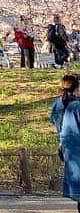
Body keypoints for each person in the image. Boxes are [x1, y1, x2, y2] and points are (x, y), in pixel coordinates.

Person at [51, 74, 80, 211]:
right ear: (76, 87)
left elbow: (55, 122)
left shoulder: (58, 103)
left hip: (66, 145)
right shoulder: (76, 106)